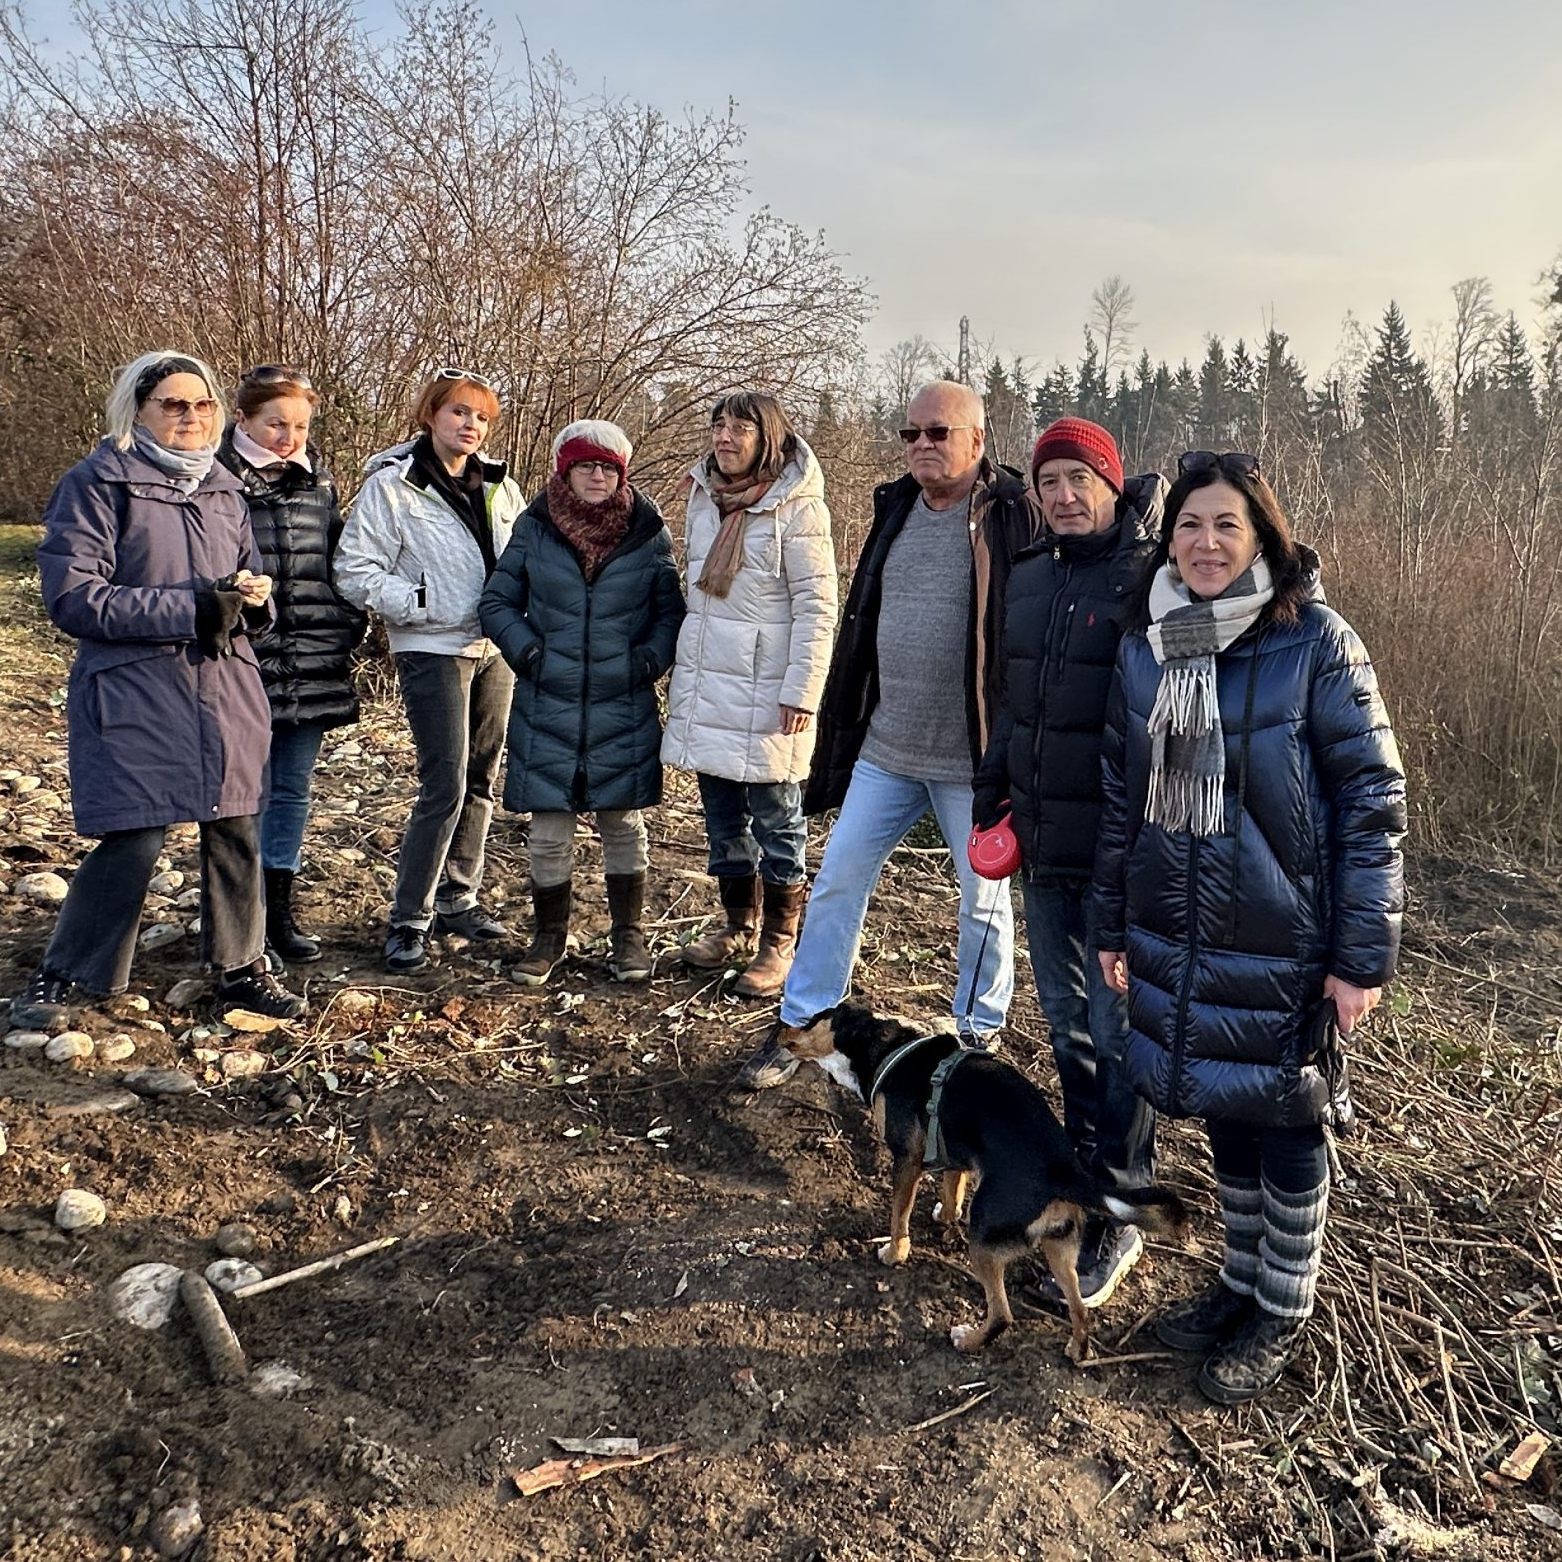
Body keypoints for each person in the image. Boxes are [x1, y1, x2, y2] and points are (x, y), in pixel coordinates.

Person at [1091, 451, 1405, 1404]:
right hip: (1179, 927)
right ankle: (1237, 1282)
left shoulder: (1314, 640)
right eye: (1189, 525)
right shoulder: (1149, 645)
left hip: (1286, 934)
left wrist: (1359, 956)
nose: (1206, 543)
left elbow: (1371, 798)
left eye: (1228, 525)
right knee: (1225, 1100)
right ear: (1168, 538)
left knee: (1290, 1111)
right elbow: (1121, 794)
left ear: (1262, 535)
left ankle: (1282, 1304)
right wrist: (1112, 921)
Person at [739, 379, 1037, 1090]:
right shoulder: (894, 506)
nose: (922, 446)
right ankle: (805, 1021)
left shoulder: (1012, 516)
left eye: (938, 433)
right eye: (911, 434)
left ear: (977, 440)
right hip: (887, 749)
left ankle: (975, 1041)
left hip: (973, 761)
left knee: (984, 904)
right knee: (839, 877)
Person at [9, 350, 306, 1029]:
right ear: (136, 409)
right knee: (134, 834)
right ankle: (73, 972)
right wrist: (193, 607)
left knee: (235, 827)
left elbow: (248, 585)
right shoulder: (95, 483)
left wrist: (254, 601)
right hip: (135, 688)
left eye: (202, 405)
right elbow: (75, 599)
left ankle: (240, 968)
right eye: (173, 405)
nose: (191, 417)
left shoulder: (223, 487)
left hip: (224, 683)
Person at [974, 418, 1167, 1309]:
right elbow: (1016, 698)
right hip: (1044, 848)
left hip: (1119, 859)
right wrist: (995, 780)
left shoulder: (1149, 579)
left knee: (1119, 1030)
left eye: (1076, 479)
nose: (1060, 495)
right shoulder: (1027, 576)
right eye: (1047, 480)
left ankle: (1122, 1212)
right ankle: (1084, 1182)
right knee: (1066, 1025)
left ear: (1109, 484)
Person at [479, 420, 684, 983]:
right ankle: (548, 939)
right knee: (549, 829)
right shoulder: (535, 527)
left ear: (622, 473)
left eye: (609, 466)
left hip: (624, 704)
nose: (598, 475)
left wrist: (647, 662)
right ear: (564, 470)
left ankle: (628, 939)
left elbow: (671, 614)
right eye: (586, 465)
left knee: (623, 823)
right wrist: (531, 656)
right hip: (548, 702)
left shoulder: (648, 532)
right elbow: (496, 602)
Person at [335, 369, 524, 974]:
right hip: (430, 648)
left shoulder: (500, 485)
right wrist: (418, 603)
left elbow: (522, 558)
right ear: (430, 415)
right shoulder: (393, 487)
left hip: (494, 648)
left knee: (482, 778)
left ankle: (457, 897)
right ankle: (408, 918)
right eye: (459, 413)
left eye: (482, 418)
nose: (470, 426)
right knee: (443, 782)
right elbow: (354, 569)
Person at [662, 392, 838, 997]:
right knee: (722, 819)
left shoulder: (797, 508)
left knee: (778, 821)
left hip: (770, 694)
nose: (726, 437)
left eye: (741, 427)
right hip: (711, 684)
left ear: (770, 439)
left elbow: (818, 607)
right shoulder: (703, 496)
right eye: (718, 425)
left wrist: (802, 691)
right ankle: (738, 926)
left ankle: (779, 945)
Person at [217, 364, 366, 966]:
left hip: (311, 657)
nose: (289, 436)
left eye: (300, 425)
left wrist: (346, 621)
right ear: (244, 419)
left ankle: (279, 910)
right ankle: (235, 917)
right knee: (238, 792)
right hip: (243, 657)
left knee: (293, 789)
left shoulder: (319, 483)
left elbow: (339, 560)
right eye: (276, 422)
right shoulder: (214, 479)